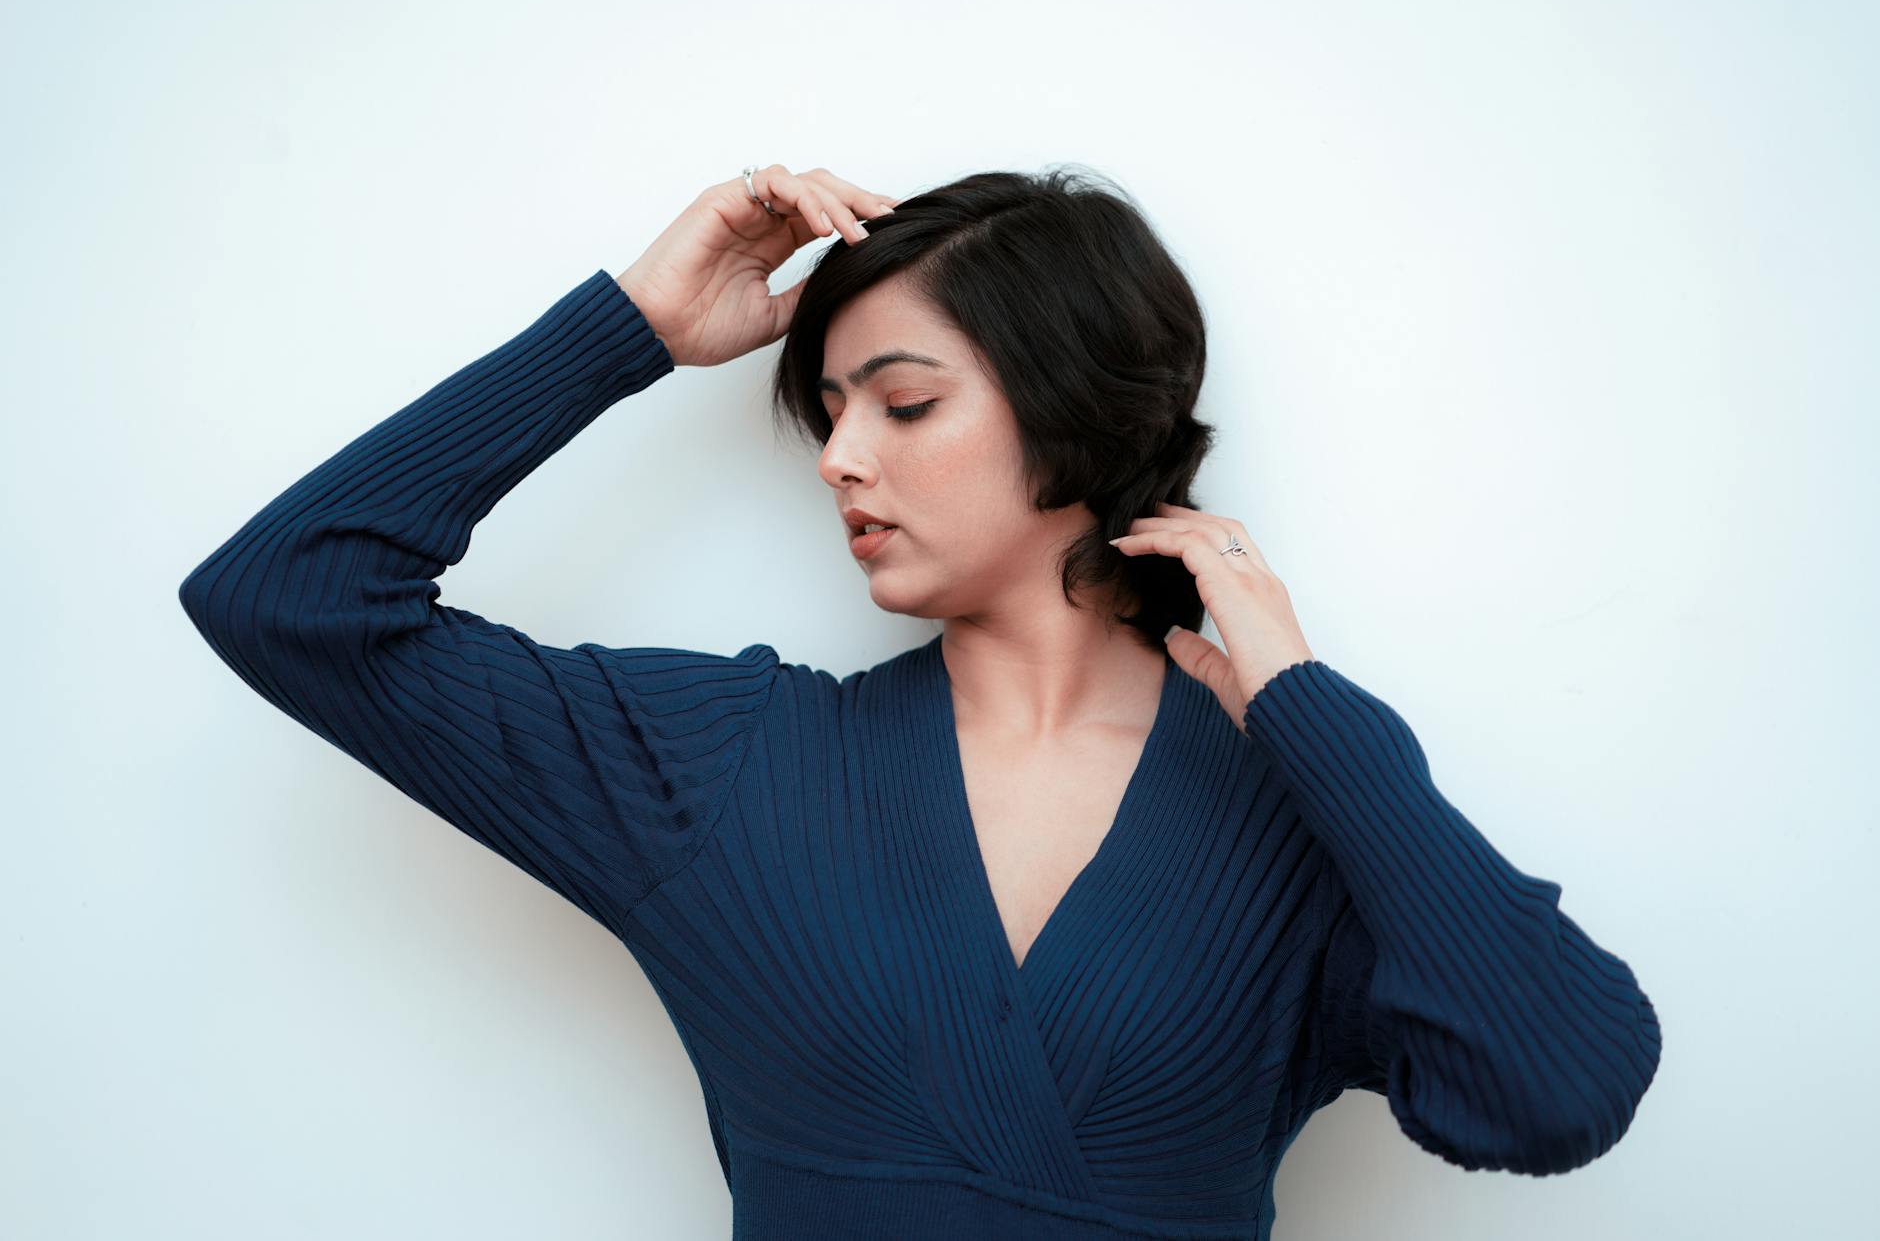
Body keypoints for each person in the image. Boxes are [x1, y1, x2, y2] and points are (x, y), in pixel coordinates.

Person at [177, 164, 1662, 1240]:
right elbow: (289, 598)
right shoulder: (726, 766)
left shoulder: (1297, 816)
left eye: (903, 401)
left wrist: (1309, 715)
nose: (837, 456)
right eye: (826, 416)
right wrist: (625, 328)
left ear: (1076, 406)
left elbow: (1559, 1088)